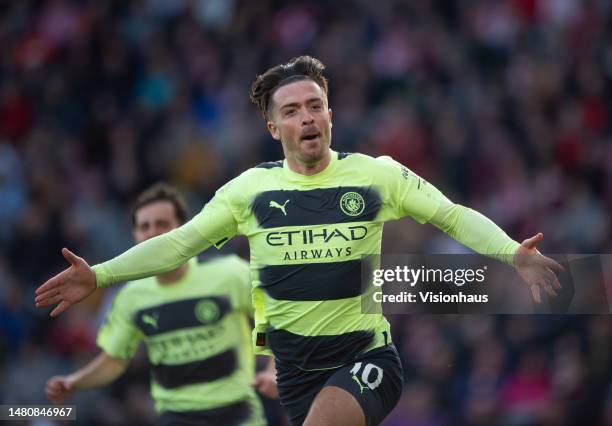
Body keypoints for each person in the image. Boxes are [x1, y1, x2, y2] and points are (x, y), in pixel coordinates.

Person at [36, 56, 562, 426]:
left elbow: (451, 216)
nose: (307, 117)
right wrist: (100, 274)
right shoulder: (249, 192)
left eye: (315, 105)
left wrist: (510, 252)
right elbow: (178, 244)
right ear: (273, 127)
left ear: (330, 114)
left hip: (366, 359)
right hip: (293, 374)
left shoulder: (376, 175)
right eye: (291, 110)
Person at [44, 183, 275, 426]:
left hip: (238, 415)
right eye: (144, 227)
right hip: (176, 417)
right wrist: (75, 382)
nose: (152, 233)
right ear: (134, 235)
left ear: (184, 230)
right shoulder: (130, 297)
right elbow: (116, 359)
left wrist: (272, 369)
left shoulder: (230, 273)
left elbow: (274, 321)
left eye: (162, 224)